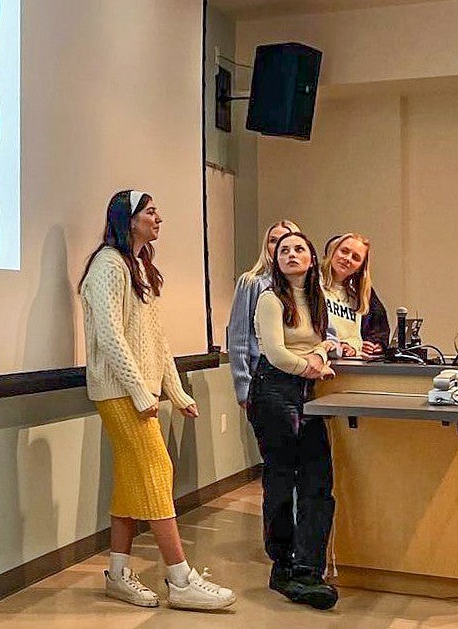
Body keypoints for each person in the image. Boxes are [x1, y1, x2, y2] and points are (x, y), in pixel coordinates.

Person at [78, 189, 236, 611]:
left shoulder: (140, 268)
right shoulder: (108, 266)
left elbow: (156, 340)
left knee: (133, 479)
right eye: (150, 212)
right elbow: (110, 337)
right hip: (118, 392)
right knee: (155, 470)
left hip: (138, 391)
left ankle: (117, 573)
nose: (158, 218)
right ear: (129, 220)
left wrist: (176, 390)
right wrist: (137, 390)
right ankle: (179, 577)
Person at [249, 230, 339, 610]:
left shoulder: (317, 300)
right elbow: (276, 354)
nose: (290, 254)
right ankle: (283, 566)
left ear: (311, 258)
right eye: (283, 250)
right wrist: (312, 367)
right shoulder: (270, 299)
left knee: (319, 481)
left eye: (298, 248)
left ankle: (309, 569)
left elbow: (322, 341)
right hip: (274, 392)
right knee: (283, 481)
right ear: (276, 261)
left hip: (305, 393)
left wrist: (319, 352)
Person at [226, 219, 300, 407]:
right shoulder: (252, 282)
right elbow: (238, 338)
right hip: (264, 375)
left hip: (301, 375)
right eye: (273, 240)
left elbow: (326, 330)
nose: (279, 246)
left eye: (286, 240)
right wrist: (244, 388)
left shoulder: (307, 287)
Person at [321, 233, 390, 356]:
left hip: (347, 364)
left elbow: (355, 337)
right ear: (333, 251)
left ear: (360, 267)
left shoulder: (357, 295)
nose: (347, 259)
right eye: (344, 251)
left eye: (356, 257)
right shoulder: (313, 284)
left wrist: (353, 346)